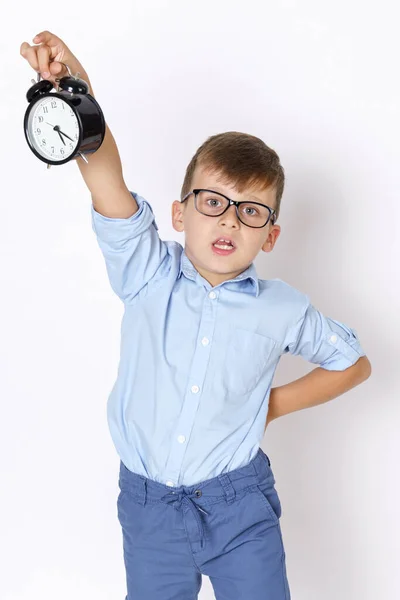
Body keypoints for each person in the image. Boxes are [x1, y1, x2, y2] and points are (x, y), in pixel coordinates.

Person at [20, 31, 372, 600]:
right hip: (149, 509)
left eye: (251, 212)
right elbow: (104, 173)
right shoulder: (147, 272)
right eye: (214, 203)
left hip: (240, 508)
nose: (229, 222)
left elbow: (353, 363)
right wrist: (74, 88)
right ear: (181, 214)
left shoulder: (282, 307)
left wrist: (269, 406)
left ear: (272, 234)